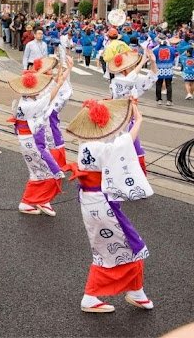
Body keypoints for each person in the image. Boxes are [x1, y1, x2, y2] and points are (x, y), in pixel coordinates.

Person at [66, 99, 153, 313]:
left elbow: (115, 140)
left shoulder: (86, 143)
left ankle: (136, 291)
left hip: (92, 202)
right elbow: (122, 144)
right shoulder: (101, 147)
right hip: (103, 204)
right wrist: (137, 120)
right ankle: (93, 295)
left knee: (109, 250)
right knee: (131, 247)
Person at [9, 58, 73, 216]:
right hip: (31, 142)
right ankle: (35, 201)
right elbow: (50, 96)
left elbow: (50, 91)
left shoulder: (29, 99)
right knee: (51, 171)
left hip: (33, 141)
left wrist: (67, 70)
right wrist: (59, 80)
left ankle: (34, 201)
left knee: (38, 172)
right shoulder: (28, 105)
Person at [152, 37, 178, 106]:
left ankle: (159, 100)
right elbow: (174, 56)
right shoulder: (172, 49)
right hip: (168, 68)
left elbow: (153, 59)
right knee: (168, 84)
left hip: (159, 68)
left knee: (158, 84)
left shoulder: (155, 50)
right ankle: (169, 100)